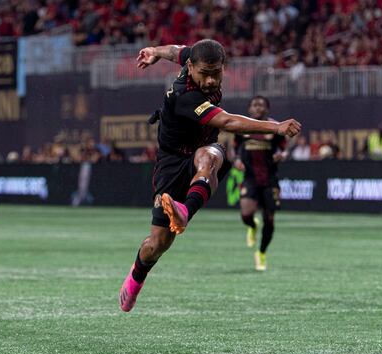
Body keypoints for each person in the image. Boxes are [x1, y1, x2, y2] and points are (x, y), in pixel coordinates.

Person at [119, 39, 301, 312]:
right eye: (205, 74)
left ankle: (184, 210)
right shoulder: (186, 96)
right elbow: (228, 121)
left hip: (202, 149)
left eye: (216, 73)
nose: (211, 80)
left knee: (212, 156)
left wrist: (155, 52)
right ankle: (136, 277)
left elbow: (175, 51)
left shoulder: (194, 58)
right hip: (171, 162)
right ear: (191, 68)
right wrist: (275, 127)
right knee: (157, 244)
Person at [232, 96, 287, 271]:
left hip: (270, 179)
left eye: (262, 105)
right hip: (250, 177)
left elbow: (284, 149)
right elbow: (236, 150)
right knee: (246, 215)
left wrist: (281, 155)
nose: (258, 108)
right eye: (255, 105)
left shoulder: (275, 127)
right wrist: (237, 160)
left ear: (267, 109)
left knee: (269, 220)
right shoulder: (241, 127)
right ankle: (253, 226)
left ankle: (262, 252)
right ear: (249, 109)